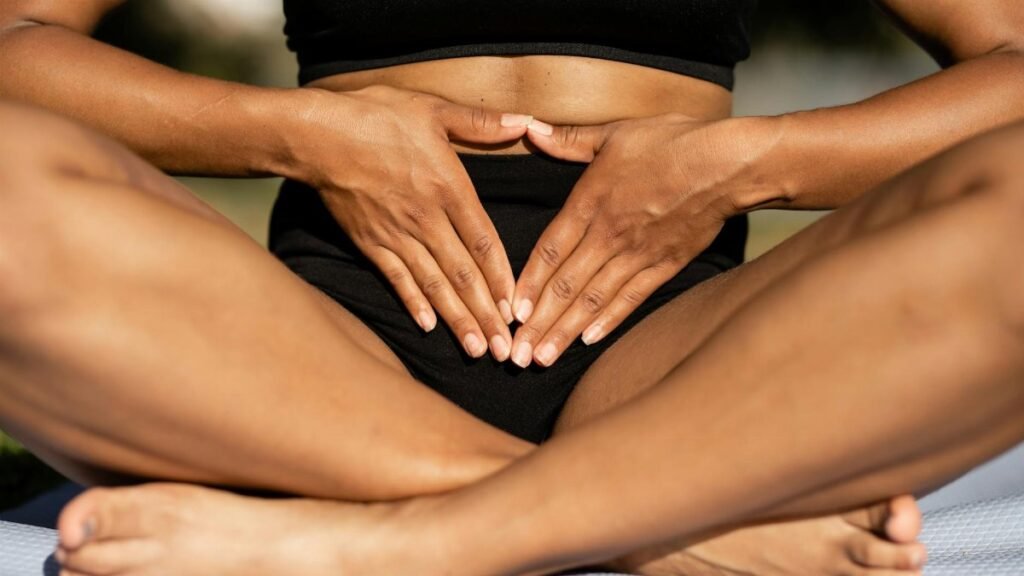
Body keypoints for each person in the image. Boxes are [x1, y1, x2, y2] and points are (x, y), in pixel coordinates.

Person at [0, 0, 1022, 573]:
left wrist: (752, 165)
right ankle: (662, 535)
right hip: (322, 357)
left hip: (679, 370)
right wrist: (293, 135)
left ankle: (406, 539)